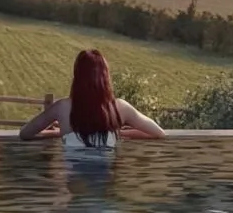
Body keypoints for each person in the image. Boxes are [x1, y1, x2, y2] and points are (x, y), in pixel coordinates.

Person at [18, 50, 166, 153]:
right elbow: (159, 133)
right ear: (105, 76)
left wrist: (58, 133)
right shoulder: (119, 107)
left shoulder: (62, 107)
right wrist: (118, 134)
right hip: (106, 185)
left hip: (75, 182)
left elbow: (25, 133)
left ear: (77, 77)